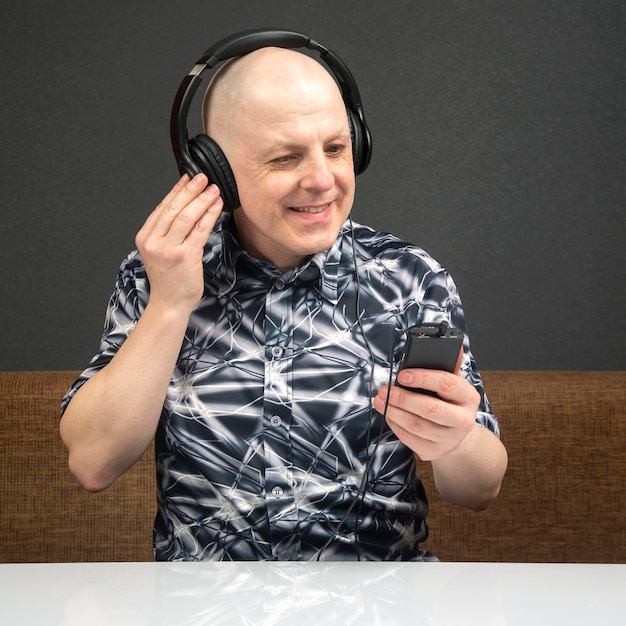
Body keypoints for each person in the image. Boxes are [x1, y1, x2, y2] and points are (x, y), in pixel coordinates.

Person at [60, 39, 507, 561]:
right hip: (206, 611)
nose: (322, 180)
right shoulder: (157, 274)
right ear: (216, 172)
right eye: (285, 157)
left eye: (336, 149)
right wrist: (170, 305)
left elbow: (477, 492)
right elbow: (92, 464)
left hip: (382, 606)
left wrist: (454, 441)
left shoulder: (411, 278)